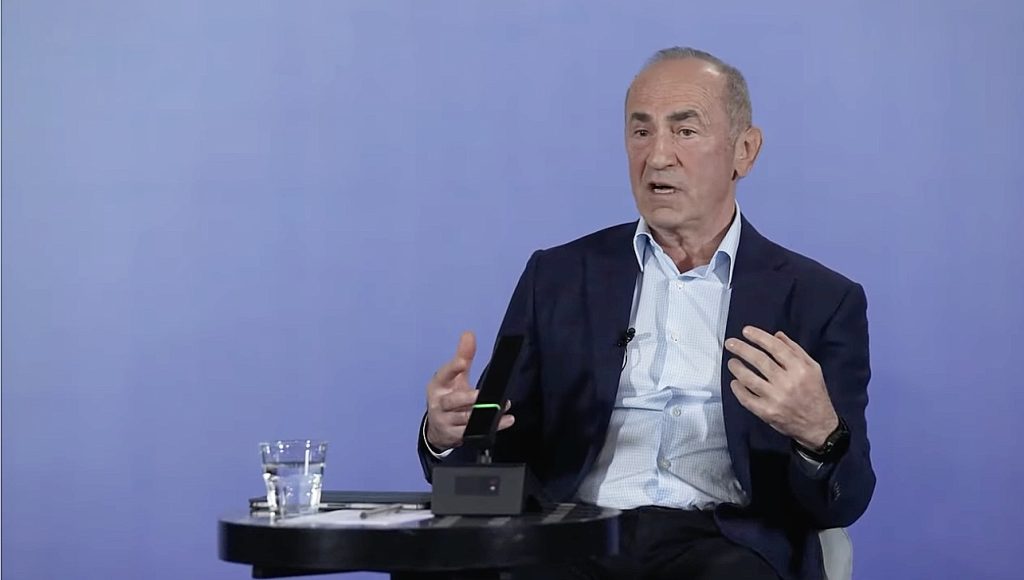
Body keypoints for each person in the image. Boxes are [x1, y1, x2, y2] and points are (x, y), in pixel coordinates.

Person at [417, 47, 875, 580]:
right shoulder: (558, 276)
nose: (657, 156)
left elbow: (845, 500)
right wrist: (449, 434)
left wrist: (820, 433)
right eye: (641, 131)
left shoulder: (819, 300)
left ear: (744, 151)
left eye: (685, 131)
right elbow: (496, 444)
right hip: (575, 534)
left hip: (723, 540)